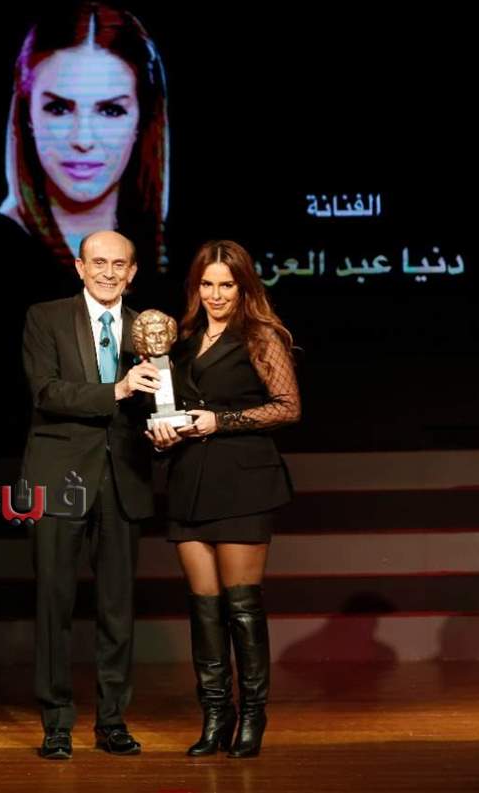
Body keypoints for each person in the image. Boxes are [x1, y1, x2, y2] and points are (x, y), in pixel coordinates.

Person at [147, 239, 301, 758]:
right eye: (207, 284)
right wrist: (162, 434)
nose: (216, 294)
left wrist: (222, 420)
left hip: (242, 484)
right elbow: (170, 407)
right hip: (188, 481)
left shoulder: (260, 336)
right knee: (204, 610)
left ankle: (253, 716)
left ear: (243, 287)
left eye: (226, 285)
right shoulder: (181, 340)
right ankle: (216, 715)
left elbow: (287, 407)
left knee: (242, 608)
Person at [20, 229, 163, 760]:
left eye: (118, 264)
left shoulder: (150, 329)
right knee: (54, 603)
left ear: (132, 272)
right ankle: (56, 722)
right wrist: (117, 390)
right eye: (98, 262)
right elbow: (46, 390)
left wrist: (166, 425)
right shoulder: (46, 317)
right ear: (80, 268)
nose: (108, 272)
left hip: (124, 480)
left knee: (117, 609)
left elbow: (158, 404)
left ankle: (112, 721)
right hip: (59, 478)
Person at [0, 2, 169, 279]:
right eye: (58, 109)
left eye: (111, 110)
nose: (83, 139)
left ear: (143, 119)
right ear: (27, 115)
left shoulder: (181, 255)